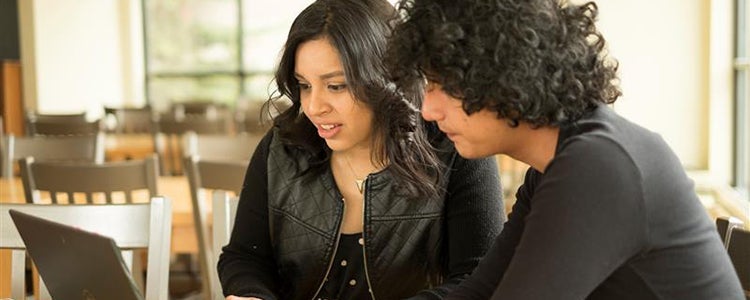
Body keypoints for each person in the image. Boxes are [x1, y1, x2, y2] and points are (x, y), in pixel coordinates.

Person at [385, 0, 746, 299]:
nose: (428, 110)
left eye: (441, 86)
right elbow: (479, 292)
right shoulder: (557, 165)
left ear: (503, 75)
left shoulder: (599, 165)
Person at [217, 0, 505, 299]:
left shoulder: (456, 149)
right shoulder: (282, 148)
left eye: (337, 86)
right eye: (304, 85)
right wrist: (250, 294)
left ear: (386, 79)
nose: (314, 107)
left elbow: (477, 279)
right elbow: (245, 257)